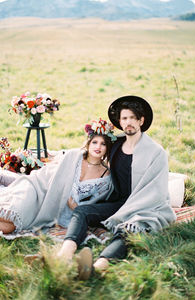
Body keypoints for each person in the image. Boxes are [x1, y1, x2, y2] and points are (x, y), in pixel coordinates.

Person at [56, 95, 177, 279]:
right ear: (120, 122)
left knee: (128, 229)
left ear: (141, 120)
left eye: (131, 118)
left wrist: (138, 209)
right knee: (82, 212)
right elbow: (92, 151)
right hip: (118, 202)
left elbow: (158, 191)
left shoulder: (156, 152)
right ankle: (64, 255)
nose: (127, 122)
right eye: (124, 118)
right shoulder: (116, 144)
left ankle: (97, 268)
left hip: (144, 206)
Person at [0, 118, 116, 235]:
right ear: (89, 143)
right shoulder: (74, 156)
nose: (98, 147)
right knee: (10, 215)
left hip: (60, 212)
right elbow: (49, 175)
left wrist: (76, 207)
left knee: (9, 227)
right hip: (41, 192)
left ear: (107, 148)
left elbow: (94, 205)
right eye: (95, 142)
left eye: (103, 144)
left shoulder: (105, 176)